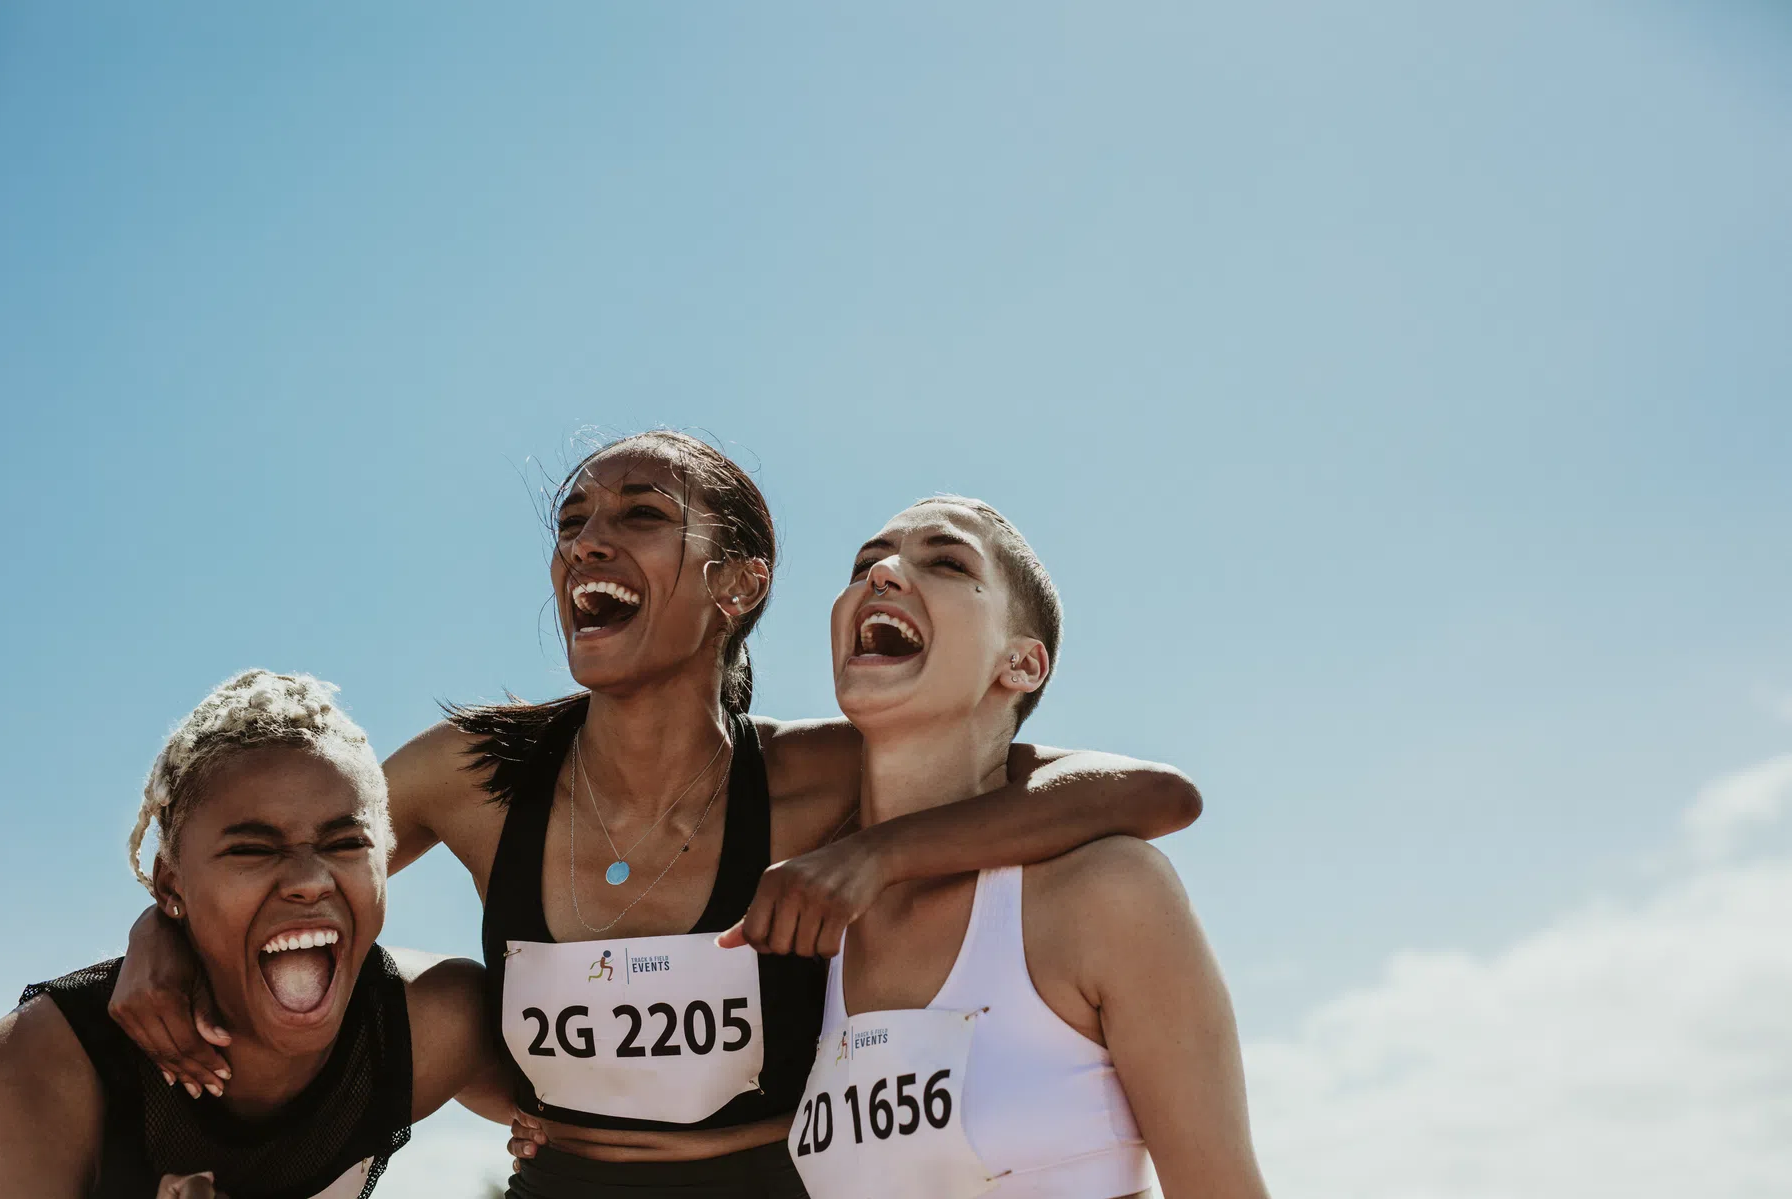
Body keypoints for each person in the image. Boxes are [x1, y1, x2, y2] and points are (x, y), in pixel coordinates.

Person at [111, 432, 1203, 1198]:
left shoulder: (817, 773)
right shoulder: (474, 770)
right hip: (550, 1187)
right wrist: (155, 930)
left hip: (777, 1187)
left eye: (638, 516)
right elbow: (288, 876)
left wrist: (870, 855)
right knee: (431, 989)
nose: (587, 541)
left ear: (735, 584)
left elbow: (1143, 792)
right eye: (572, 520)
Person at [786, 497, 1271, 1198]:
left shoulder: (1105, 891)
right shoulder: (799, 918)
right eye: (865, 562)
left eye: (947, 562)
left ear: (1021, 663)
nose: (883, 574)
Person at [0, 670, 507, 1198]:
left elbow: (579, 1125)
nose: (309, 881)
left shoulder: (435, 1024)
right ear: (171, 882)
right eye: (252, 850)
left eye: (346, 843)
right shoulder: (40, 1070)